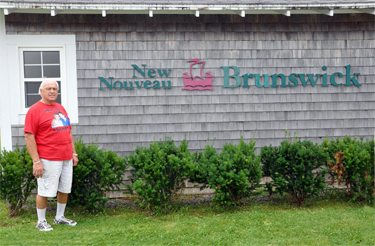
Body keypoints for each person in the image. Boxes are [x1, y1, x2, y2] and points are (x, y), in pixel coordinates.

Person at [24, 79, 79, 232]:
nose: (52, 91)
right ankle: (41, 221)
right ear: (41, 91)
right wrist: (36, 161)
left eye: (55, 88)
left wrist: (73, 152)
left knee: (64, 189)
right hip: (48, 158)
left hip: (66, 156)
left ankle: (59, 217)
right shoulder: (34, 110)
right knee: (45, 190)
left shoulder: (60, 107)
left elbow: (68, 131)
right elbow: (29, 136)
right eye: (48, 88)